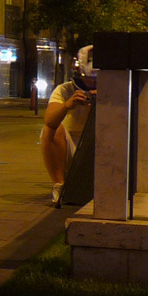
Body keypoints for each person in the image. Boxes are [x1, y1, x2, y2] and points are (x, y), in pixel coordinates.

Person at [40, 44, 96, 205]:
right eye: (89, 78)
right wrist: (67, 105)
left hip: (99, 145)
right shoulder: (65, 89)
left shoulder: (114, 88)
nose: (92, 83)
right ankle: (60, 185)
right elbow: (49, 120)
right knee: (52, 128)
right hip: (70, 147)